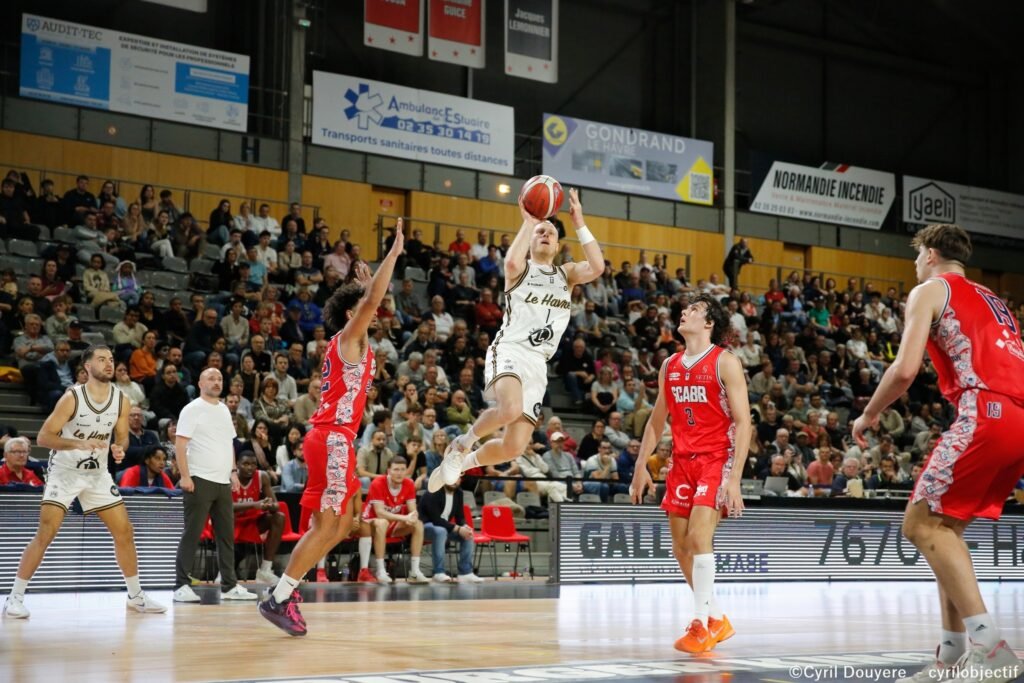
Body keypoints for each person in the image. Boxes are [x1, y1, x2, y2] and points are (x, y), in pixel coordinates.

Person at [852, 224, 1024, 682]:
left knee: (919, 524)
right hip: (1017, 416)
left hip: (984, 409)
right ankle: (951, 658)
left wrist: (868, 414)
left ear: (929, 255)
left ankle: (990, 649)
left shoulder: (930, 289)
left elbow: (905, 369)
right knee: (943, 530)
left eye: (914, 258)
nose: (914, 266)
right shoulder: (994, 299)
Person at [259, 220, 404, 636]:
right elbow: (374, 299)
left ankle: (286, 591)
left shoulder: (355, 341)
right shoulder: (349, 336)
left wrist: (362, 285)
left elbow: (370, 299)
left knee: (341, 526)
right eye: (365, 307)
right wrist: (391, 257)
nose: (375, 311)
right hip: (333, 436)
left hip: (334, 438)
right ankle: (280, 595)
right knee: (329, 526)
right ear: (351, 312)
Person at [429, 189, 605, 493]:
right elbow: (510, 263)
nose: (546, 233)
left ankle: (464, 461)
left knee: (514, 446)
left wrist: (579, 222)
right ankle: (462, 442)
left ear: (559, 244)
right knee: (509, 409)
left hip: (538, 363)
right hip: (511, 348)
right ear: (531, 240)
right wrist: (529, 221)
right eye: (540, 231)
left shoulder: (567, 274)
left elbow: (598, 267)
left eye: (551, 231)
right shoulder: (521, 268)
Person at [3, 345, 166, 618]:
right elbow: (43, 438)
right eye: (101, 359)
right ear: (87, 367)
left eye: (111, 359)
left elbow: (122, 437)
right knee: (46, 533)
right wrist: (77, 442)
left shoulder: (121, 400)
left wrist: (119, 448)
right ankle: (14, 598)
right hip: (65, 472)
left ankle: (136, 596)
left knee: (125, 532)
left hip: (97, 474)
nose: (108, 364)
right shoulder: (72, 398)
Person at [630, 294, 750, 654]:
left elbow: (744, 423)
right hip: (681, 460)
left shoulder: (725, 362)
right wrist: (640, 466)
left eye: (694, 310)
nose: (684, 312)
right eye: (684, 308)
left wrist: (734, 479)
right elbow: (656, 420)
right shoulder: (670, 364)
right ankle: (717, 617)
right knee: (681, 548)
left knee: (699, 537)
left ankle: (699, 624)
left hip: (717, 458)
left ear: (710, 322)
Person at [172, 368, 258, 604]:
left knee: (226, 536)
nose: (217, 382)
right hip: (199, 479)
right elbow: (180, 445)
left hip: (222, 482)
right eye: (211, 378)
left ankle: (229, 586)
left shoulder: (223, 409)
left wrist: (232, 471)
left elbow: (228, 443)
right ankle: (181, 585)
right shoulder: (191, 409)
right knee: (193, 534)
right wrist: (185, 476)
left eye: (220, 379)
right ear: (200, 383)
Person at [233, 451, 285, 584]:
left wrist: (269, 506)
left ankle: (265, 570)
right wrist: (254, 505)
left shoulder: (262, 477)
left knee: (279, 517)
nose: (250, 467)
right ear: (237, 465)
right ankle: (222, 572)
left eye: (253, 464)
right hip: (231, 523)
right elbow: (225, 507)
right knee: (223, 519)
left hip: (252, 522)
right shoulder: (229, 478)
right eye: (245, 464)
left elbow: (275, 505)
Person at [419, 476, 482, 583]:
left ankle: (465, 572)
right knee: (441, 531)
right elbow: (436, 520)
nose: (454, 481)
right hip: (424, 527)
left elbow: (460, 517)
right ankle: (438, 572)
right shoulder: (433, 491)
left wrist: (465, 526)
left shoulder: (459, 493)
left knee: (468, 534)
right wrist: (457, 529)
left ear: (460, 480)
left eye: (457, 478)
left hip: (445, 527)